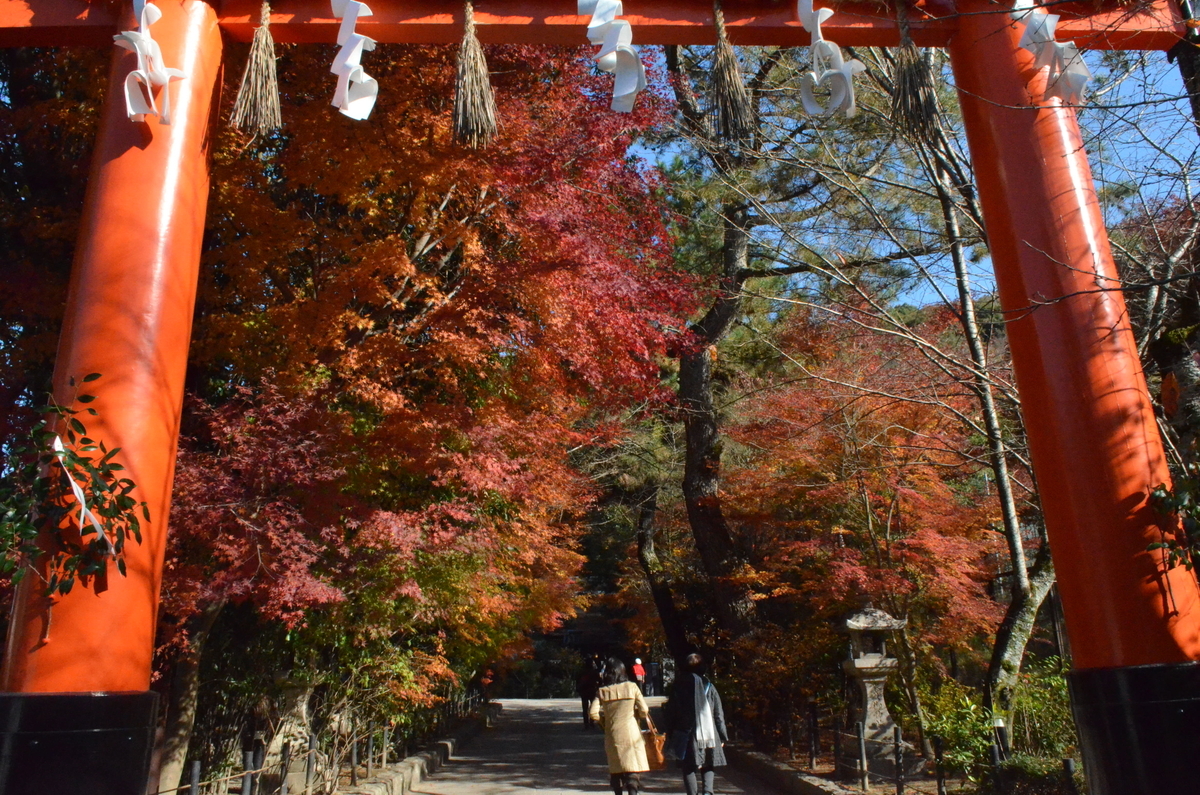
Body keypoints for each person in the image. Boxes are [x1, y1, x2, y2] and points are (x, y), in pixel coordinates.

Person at [664, 653, 727, 795]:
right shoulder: (709, 686)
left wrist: (671, 732)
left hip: (685, 732)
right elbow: (718, 714)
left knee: (688, 766)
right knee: (708, 763)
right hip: (709, 732)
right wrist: (722, 735)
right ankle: (707, 792)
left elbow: (671, 712)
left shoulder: (678, 686)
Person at [589, 657, 652, 795]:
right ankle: (633, 790)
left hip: (612, 733)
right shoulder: (632, 687)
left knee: (616, 766)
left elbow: (593, 713)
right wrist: (637, 716)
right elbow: (644, 710)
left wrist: (604, 723)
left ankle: (618, 791)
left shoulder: (602, 691)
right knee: (631, 765)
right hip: (631, 731)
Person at [577, 659, 601, 729]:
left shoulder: (582, 672)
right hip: (592, 690)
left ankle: (586, 723)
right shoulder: (594, 672)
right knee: (592, 706)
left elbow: (577, 681)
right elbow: (599, 681)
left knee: (585, 708)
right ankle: (591, 722)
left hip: (584, 691)